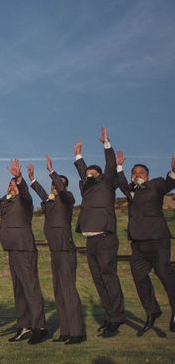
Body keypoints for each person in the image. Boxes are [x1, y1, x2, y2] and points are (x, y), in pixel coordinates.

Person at [0, 159, 47, 345]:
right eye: (9, 184)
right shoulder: (4, 203)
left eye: (13, 185)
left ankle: (40, 327)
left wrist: (19, 177)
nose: (11, 187)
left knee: (30, 288)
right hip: (12, 250)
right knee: (19, 290)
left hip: (24, 249)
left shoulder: (24, 202)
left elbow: (25, 192)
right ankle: (24, 327)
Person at [116, 151, 175, 333]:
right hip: (138, 243)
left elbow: (169, 183)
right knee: (139, 277)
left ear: (147, 176)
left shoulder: (156, 185)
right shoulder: (130, 190)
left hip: (157, 240)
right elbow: (121, 182)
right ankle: (152, 311)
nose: (137, 175)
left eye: (141, 172)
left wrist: (173, 171)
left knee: (165, 275)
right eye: (134, 172)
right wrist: (119, 166)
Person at [28, 157, 85, 344]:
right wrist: (33, 180)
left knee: (69, 290)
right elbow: (43, 194)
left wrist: (52, 172)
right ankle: (66, 331)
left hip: (65, 249)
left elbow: (60, 189)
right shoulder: (50, 202)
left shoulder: (67, 199)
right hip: (54, 251)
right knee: (58, 291)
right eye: (52, 184)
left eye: (57, 184)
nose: (54, 186)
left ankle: (77, 332)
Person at [74, 127, 125, 337]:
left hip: (105, 237)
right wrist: (77, 156)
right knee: (98, 279)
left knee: (108, 277)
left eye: (92, 172)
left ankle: (117, 317)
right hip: (90, 240)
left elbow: (111, 166)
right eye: (87, 173)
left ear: (101, 175)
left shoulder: (107, 183)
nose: (89, 174)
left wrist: (106, 143)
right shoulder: (87, 188)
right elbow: (83, 173)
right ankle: (109, 315)